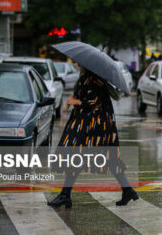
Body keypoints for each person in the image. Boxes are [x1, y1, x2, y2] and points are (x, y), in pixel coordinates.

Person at [47, 63, 138, 208]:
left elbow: (93, 103)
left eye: (77, 63)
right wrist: (74, 102)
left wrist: (74, 101)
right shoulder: (86, 78)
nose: (75, 64)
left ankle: (65, 195)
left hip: (95, 126)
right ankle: (127, 190)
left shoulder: (94, 80)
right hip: (88, 124)